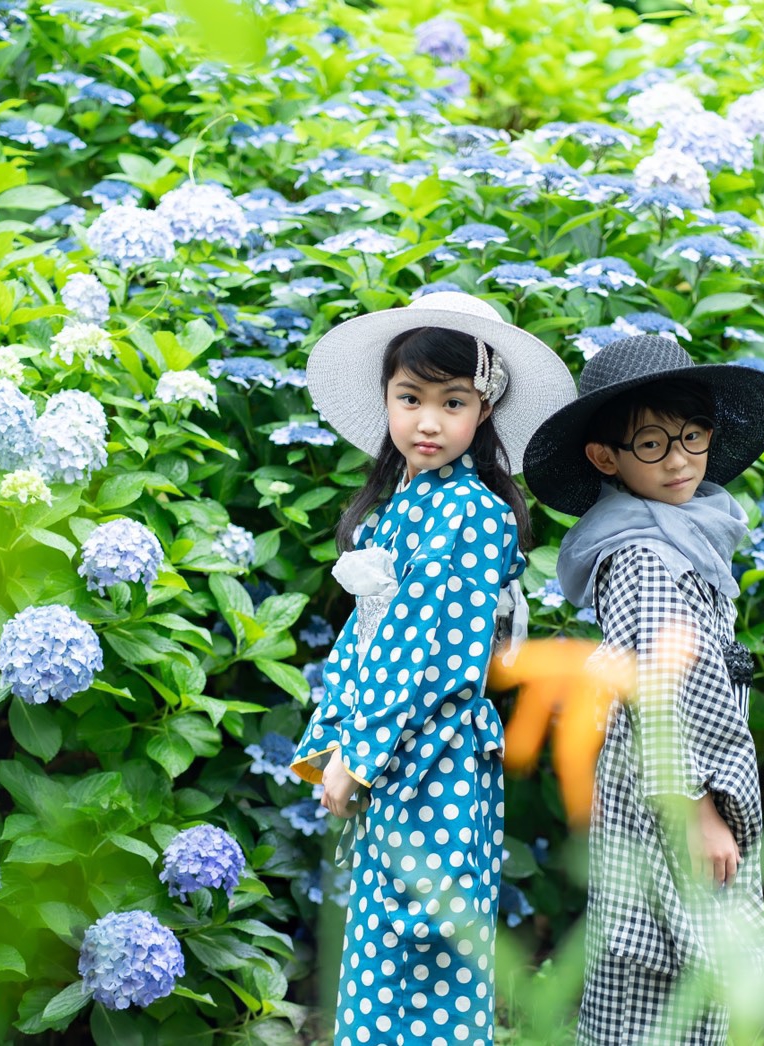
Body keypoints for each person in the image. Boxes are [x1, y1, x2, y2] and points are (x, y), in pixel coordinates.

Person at [290, 291, 575, 1046]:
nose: (427, 421)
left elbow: (422, 654)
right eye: (410, 397)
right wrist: (338, 742)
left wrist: (358, 754)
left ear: (483, 412)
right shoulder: (403, 505)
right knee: (387, 951)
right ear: (387, 399)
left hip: (433, 759)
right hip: (402, 761)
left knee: (427, 952)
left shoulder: (473, 511)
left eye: (453, 402)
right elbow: (365, 644)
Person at [521, 335, 764, 1045]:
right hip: (669, 790)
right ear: (605, 458)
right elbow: (653, 693)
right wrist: (697, 809)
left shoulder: (681, 532)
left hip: (691, 779)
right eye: (650, 443)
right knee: (673, 961)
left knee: (687, 958)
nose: (678, 459)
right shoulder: (641, 556)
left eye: (692, 436)